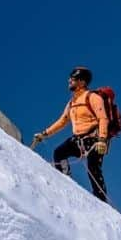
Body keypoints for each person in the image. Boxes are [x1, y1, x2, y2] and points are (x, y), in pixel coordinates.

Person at [31, 67, 110, 202]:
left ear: (81, 81)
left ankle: (102, 200)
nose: (69, 81)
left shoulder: (93, 97)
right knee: (59, 153)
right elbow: (62, 121)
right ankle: (65, 180)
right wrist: (45, 134)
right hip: (78, 140)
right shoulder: (72, 103)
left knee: (93, 167)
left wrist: (102, 139)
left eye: (72, 79)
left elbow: (103, 118)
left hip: (94, 140)